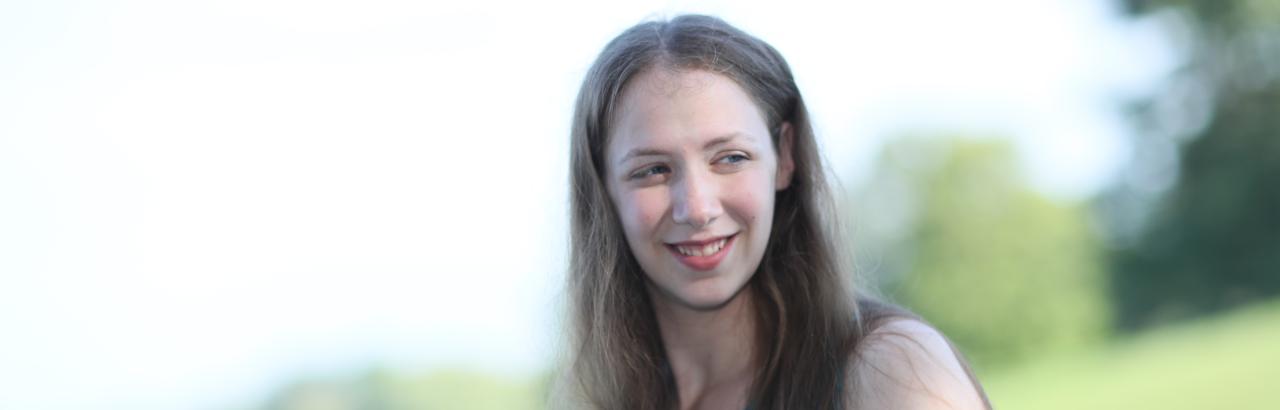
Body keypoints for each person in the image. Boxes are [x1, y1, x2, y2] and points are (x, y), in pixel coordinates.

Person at [555, 14, 992, 409]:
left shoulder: (893, 372)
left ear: (784, 155)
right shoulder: (600, 399)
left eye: (730, 158)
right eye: (652, 170)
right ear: (603, 186)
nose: (698, 208)